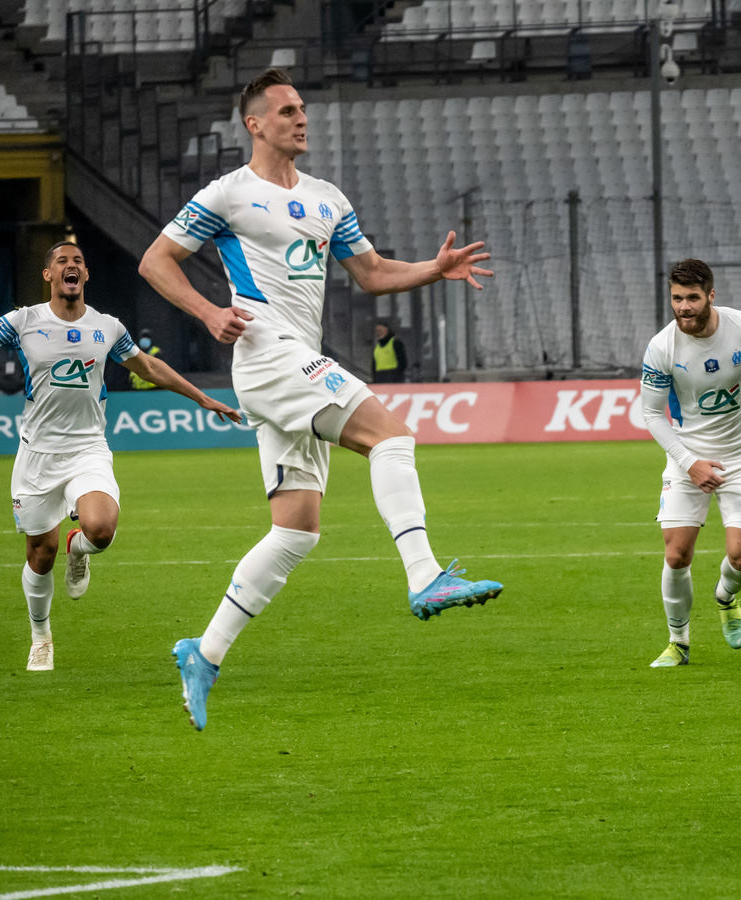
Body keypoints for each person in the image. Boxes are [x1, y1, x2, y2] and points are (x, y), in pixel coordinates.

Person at [138, 67, 503, 732]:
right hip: (267, 353)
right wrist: (207, 311)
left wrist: (434, 268)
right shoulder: (228, 193)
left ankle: (204, 652)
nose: (301, 118)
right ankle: (425, 574)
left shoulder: (327, 198)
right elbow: (156, 260)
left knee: (295, 531)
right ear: (254, 124)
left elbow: (372, 273)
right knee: (391, 435)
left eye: (302, 108)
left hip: (294, 359)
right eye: (286, 111)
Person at [0, 241, 241, 672]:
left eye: (78, 260)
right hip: (37, 456)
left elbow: (149, 368)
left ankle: (78, 549)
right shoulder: (23, 320)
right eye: (62, 261)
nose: (71, 265)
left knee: (101, 529)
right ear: (48, 275)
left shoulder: (107, 327)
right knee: (41, 554)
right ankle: (41, 636)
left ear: (85, 275)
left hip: (87, 449)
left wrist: (202, 398)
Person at [639, 259, 741, 668]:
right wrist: (689, 463)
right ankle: (678, 643)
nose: (684, 307)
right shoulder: (662, 347)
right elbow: (652, 414)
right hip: (687, 458)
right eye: (677, 298)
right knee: (676, 555)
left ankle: (726, 597)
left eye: (692, 297)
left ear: (711, 295)